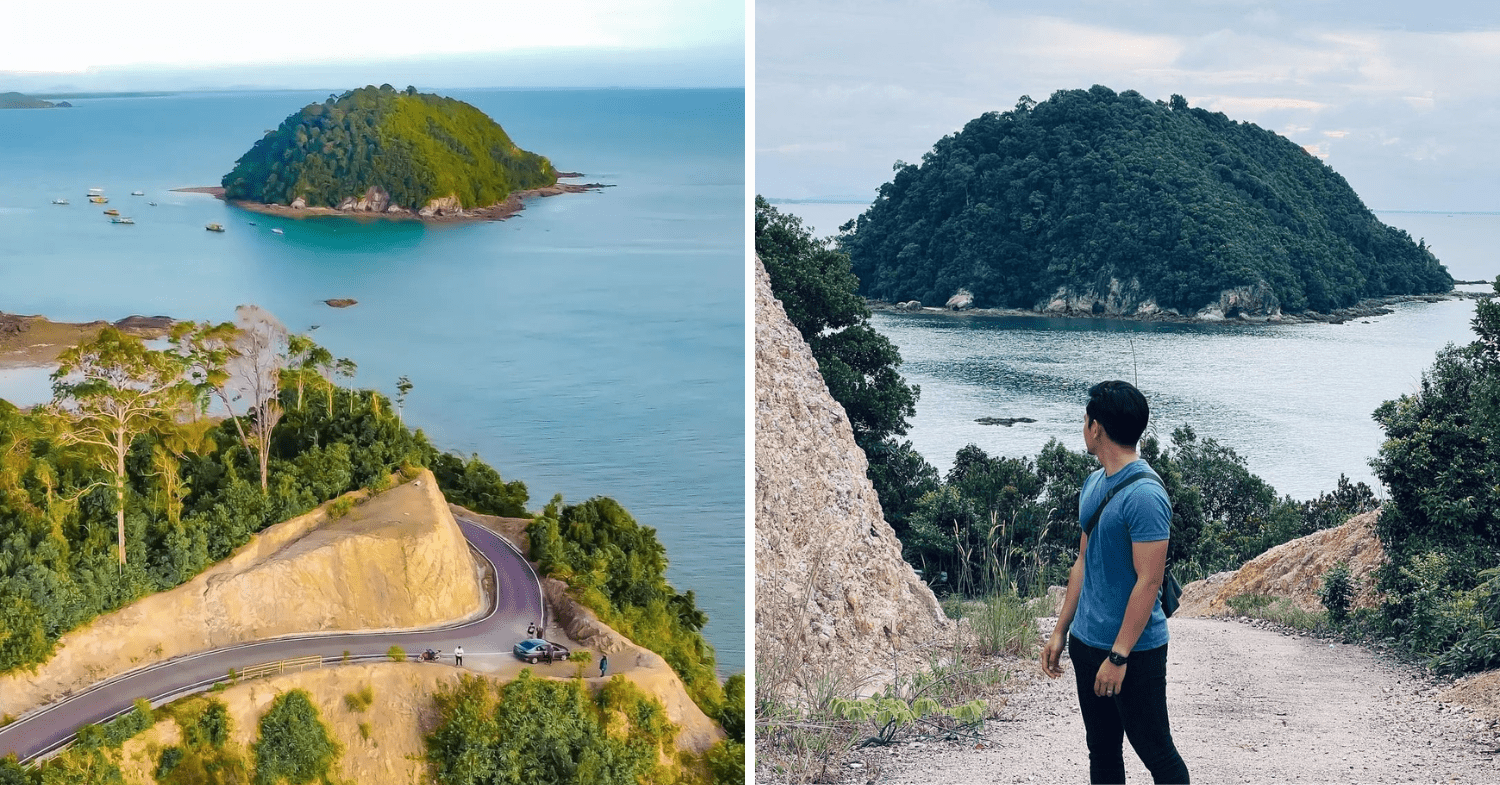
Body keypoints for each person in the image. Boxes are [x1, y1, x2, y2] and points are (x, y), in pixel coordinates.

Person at [1040, 380, 1190, 784]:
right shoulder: (1094, 484)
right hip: (1087, 643)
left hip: (1134, 652)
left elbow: (1149, 580)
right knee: (1102, 752)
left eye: (1085, 420)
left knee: (1158, 753)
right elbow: (1083, 561)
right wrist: (1060, 631)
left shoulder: (1144, 495)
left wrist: (1119, 656)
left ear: (1097, 428)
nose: (1084, 427)